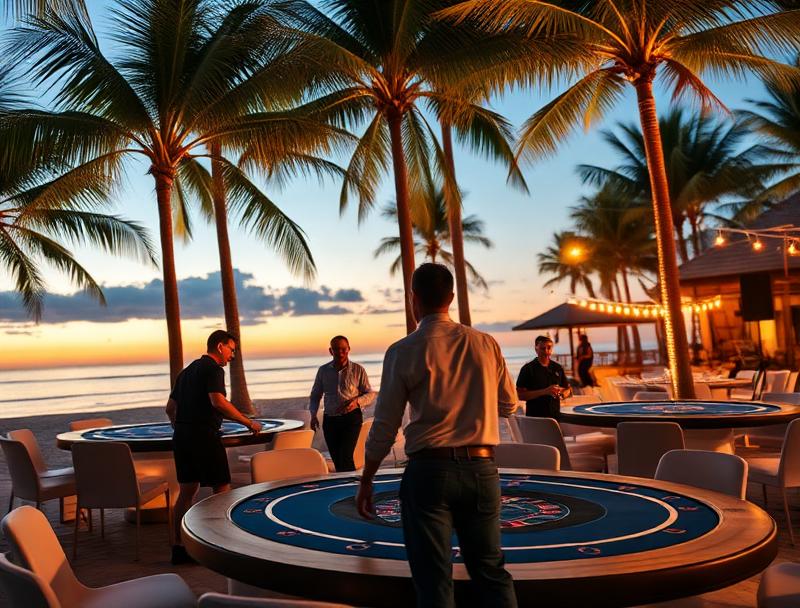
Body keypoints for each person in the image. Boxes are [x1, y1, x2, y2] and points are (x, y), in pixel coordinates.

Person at [356, 263, 519, 608]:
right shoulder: (485, 344)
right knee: (490, 572)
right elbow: (509, 404)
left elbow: (385, 427)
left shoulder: (402, 350)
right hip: (481, 469)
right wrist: (472, 403)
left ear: (413, 299)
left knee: (433, 580)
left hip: (429, 473)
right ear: (452, 298)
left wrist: (367, 479)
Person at [165, 330, 262, 565]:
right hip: (204, 438)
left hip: (183, 437)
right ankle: (224, 545)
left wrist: (183, 427)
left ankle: (178, 548)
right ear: (220, 347)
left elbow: (169, 408)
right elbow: (217, 402)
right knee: (222, 490)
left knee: (186, 493)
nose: (232, 356)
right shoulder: (213, 369)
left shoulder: (186, 372)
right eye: (231, 350)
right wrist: (248, 422)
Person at [309, 335, 375, 472]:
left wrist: (357, 402)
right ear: (330, 351)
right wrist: (313, 414)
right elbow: (315, 395)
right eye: (336, 349)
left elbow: (370, 393)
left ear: (349, 349)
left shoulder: (358, 370)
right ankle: (348, 488)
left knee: (345, 457)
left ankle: (354, 488)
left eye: (343, 349)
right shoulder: (323, 371)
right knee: (337, 459)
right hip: (330, 419)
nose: (340, 352)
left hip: (351, 419)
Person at [516, 335, 572, 418]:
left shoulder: (558, 367)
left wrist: (562, 393)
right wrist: (545, 391)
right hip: (535, 418)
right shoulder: (528, 369)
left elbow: (569, 390)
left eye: (549, 348)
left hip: (556, 416)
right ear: (536, 349)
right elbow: (519, 395)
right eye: (542, 348)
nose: (546, 351)